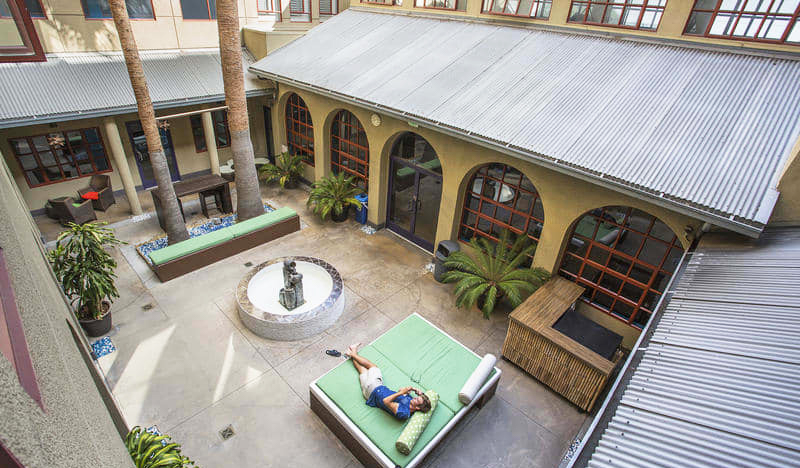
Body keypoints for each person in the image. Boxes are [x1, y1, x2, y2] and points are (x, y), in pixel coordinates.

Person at [346, 343, 431, 420]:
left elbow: (386, 401)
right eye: (417, 397)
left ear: (418, 408)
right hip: (368, 395)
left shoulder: (404, 413)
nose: (415, 398)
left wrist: (401, 393)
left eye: (417, 400)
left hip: (376, 388)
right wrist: (414, 390)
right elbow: (400, 391)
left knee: (373, 367)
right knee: (362, 371)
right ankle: (352, 352)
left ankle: (352, 353)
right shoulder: (411, 401)